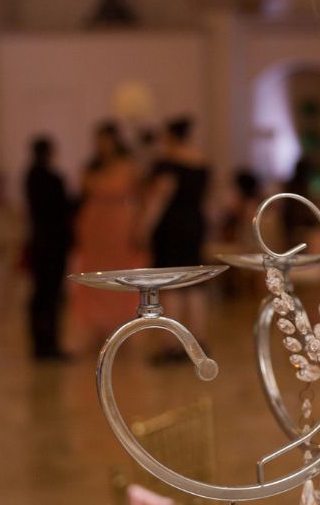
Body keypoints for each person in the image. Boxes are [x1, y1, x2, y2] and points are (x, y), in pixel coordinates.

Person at [69, 121, 145, 351]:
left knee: (120, 275)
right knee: (94, 276)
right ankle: (96, 327)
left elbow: (140, 198)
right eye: (98, 140)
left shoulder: (128, 165)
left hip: (120, 224)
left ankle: (122, 326)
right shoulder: (91, 167)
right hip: (94, 225)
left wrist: (139, 226)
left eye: (105, 140)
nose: (101, 145)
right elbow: (81, 195)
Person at [143, 116, 211, 350]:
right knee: (194, 281)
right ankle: (198, 338)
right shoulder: (202, 162)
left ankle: (170, 343)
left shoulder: (168, 164)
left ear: (170, 136)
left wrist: (144, 228)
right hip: (195, 223)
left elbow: (159, 198)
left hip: (171, 226)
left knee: (170, 283)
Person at [23, 135, 72, 360]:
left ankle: (40, 342)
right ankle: (48, 343)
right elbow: (64, 209)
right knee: (51, 295)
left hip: (38, 241)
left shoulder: (30, 176)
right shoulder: (52, 179)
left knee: (40, 294)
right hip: (53, 244)